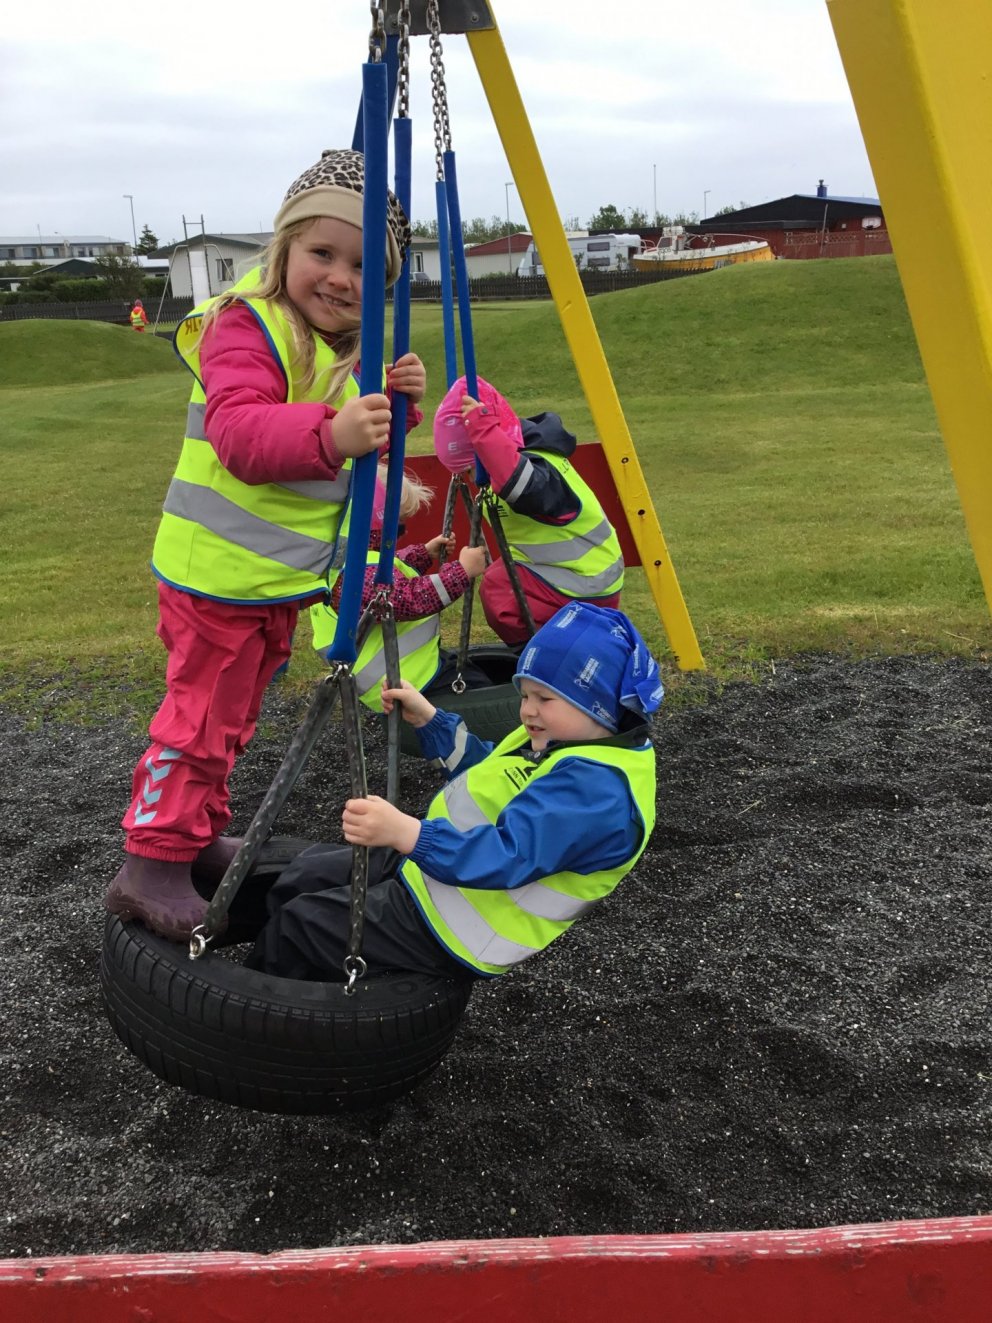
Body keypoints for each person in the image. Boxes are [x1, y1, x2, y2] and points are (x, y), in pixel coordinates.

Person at [105, 147, 427, 941]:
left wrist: (396, 408)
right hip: (214, 577)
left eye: (363, 267)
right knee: (198, 718)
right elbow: (242, 433)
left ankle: (195, 834)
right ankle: (149, 862)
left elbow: (359, 446)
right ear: (283, 248)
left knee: (231, 720)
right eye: (323, 253)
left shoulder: (342, 350)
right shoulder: (245, 326)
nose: (341, 278)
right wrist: (335, 430)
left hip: (271, 583)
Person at [245, 602, 662, 983]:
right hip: (439, 867)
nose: (528, 710)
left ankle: (257, 1010)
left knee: (300, 926)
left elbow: (508, 855)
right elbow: (491, 773)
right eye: (524, 695)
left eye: (545, 698)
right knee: (307, 875)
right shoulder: (563, 739)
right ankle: (246, 944)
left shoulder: (599, 792)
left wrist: (408, 833)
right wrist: (430, 720)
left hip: (457, 926)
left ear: (598, 704)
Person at [433, 376, 625, 647]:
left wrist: (485, 435)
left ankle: (541, 650)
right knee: (503, 574)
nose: (471, 477)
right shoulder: (520, 456)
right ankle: (558, 642)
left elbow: (525, 487)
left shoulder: (539, 469)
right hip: (568, 572)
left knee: (499, 588)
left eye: (471, 468)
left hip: (588, 580)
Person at [309, 467, 489, 706]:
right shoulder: (356, 575)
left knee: (475, 672)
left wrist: (424, 553)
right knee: (481, 688)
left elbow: (389, 569)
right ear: (376, 523)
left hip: (408, 671)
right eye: (399, 525)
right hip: (404, 680)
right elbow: (409, 599)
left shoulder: (346, 558)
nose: (402, 533)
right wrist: (462, 571)